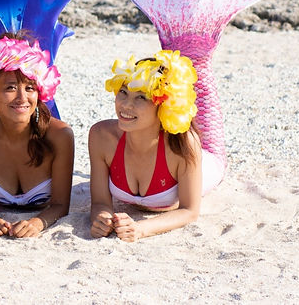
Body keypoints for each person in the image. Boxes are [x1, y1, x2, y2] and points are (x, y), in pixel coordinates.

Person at [89, 49, 223, 242]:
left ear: (164, 105)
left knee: (213, 140)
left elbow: (189, 211)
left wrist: (140, 229)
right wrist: (102, 218)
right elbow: (100, 203)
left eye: (141, 97)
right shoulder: (101, 136)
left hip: (208, 163)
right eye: (123, 92)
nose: (126, 105)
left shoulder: (184, 144)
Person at [0, 35, 74, 238]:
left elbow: (60, 205)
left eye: (30, 88)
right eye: (10, 88)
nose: (22, 98)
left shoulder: (60, 135)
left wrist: (37, 223)